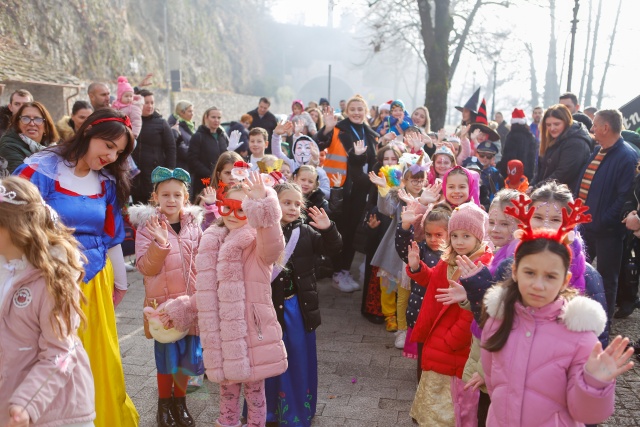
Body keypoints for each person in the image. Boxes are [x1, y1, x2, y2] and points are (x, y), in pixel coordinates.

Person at [14, 108, 139, 426]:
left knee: (97, 358)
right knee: (49, 360)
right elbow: (12, 220)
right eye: (108, 146)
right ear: (89, 133)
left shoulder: (107, 180)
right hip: (48, 282)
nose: (111, 156)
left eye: (119, 152)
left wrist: (121, 282)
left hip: (94, 283)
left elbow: (111, 235)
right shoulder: (40, 169)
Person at [480, 197, 634, 427]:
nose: (538, 285)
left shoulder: (580, 336)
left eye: (550, 276)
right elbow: (494, 385)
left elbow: (586, 414)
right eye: (529, 272)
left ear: (566, 280)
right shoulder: (498, 321)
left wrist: (594, 382)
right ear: (514, 271)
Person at [160, 172, 287, 427]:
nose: (232, 214)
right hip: (221, 339)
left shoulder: (257, 241)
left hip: (252, 335)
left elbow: (273, 245)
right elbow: (208, 293)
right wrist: (183, 307)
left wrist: (264, 203)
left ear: (252, 211)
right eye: (226, 207)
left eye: (242, 209)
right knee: (226, 398)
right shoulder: (212, 241)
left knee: (255, 396)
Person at [0, 176, 95, 427]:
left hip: (54, 411)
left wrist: (26, 403)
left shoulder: (52, 280)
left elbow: (60, 352)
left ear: (14, 225)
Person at [129, 167, 204, 427]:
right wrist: (159, 244)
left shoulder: (194, 225)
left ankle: (180, 403)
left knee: (186, 359)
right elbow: (144, 267)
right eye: (165, 195)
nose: (171, 200)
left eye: (177, 195)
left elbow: (202, 261)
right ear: (155, 197)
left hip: (189, 304)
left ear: (186, 197)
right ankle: (164, 404)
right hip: (162, 308)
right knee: (166, 359)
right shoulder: (147, 227)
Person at [407, 202, 492, 426]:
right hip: (438, 337)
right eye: (455, 235)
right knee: (434, 400)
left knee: (451, 404)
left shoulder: (479, 266)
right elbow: (433, 281)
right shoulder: (449, 259)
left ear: (479, 237)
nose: (459, 241)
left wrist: (450, 340)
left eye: (466, 236)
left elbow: (471, 313)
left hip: (454, 347)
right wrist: (417, 268)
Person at [266, 182, 342, 426]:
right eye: (286, 202)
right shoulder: (262, 230)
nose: (292, 207)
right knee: (268, 358)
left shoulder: (305, 232)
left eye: (297, 203)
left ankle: (295, 412)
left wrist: (329, 229)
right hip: (268, 308)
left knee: (296, 357)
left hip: (297, 307)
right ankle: (267, 411)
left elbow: (334, 249)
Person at [578, 109, 638, 323]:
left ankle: (603, 325)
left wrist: (602, 221)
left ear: (606, 127)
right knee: (579, 271)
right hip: (587, 226)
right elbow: (584, 182)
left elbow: (624, 197)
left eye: (594, 125)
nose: (592, 129)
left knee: (606, 279)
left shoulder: (627, 156)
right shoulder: (598, 151)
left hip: (608, 231)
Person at [315, 95, 379, 292]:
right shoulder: (337, 128)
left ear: (366, 112)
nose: (357, 113)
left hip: (360, 190)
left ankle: (344, 270)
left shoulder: (370, 134)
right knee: (338, 232)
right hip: (338, 188)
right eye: (353, 109)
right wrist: (326, 128)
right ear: (347, 111)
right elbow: (320, 143)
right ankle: (336, 271)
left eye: (360, 109)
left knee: (352, 232)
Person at [369, 153, 430, 336]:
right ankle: (390, 315)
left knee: (408, 287)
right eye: (414, 180)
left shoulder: (428, 198)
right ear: (405, 180)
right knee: (387, 283)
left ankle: (405, 319)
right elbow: (385, 209)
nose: (418, 184)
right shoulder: (398, 196)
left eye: (421, 180)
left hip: (417, 248)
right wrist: (383, 189)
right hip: (393, 246)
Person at [396, 203, 451, 366]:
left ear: (449, 233)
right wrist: (405, 227)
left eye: (439, 234)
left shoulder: (454, 253)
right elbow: (403, 249)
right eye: (428, 234)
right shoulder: (420, 249)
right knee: (422, 356)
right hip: (420, 310)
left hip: (442, 313)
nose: (433, 239)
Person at [131, 89, 177, 205]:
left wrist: (169, 173)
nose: (150, 106)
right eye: (146, 102)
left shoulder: (161, 123)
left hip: (155, 175)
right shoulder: (131, 122)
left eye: (152, 102)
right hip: (134, 176)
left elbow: (171, 148)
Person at [535, 104, 592, 190]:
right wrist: (532, 185)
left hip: (564, 196)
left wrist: (536, 188)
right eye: (548, 125)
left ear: (566, 122)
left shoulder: (576, 143)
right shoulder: (554, 140)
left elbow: (562, 174)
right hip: (548, 193)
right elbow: (541, 170)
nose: (552, 128)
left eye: (556, 124)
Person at [271, 122, 330, 197]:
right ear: (294, 151)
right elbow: (277, 154)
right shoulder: (291, 164)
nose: (302, 151)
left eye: (307, 147)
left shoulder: (319, 172)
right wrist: (276, 135)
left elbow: (327, 194)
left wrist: (313, 189)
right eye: (299, 147)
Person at [0, 101, 59, 173]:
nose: (31, 123)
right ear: (18, 123)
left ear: (46, 126)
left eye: (37, 119)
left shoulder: (53, 148)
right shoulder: (9, 146)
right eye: (25, 118)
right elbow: (21, 179)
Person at [188, 106, 229, 202]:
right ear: (206, 118)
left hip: (221, 181)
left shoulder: (222, 136)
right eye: (213, 117)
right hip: (204, 182)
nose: (216, 120)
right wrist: (210, 174)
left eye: (219, 118)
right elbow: (192, 160)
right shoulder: (198, 136)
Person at [497, 108, 537, 181]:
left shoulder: (511, 136)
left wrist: (500, 168)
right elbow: (532, 158)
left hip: (512, 174)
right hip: (527, 174)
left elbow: (508, 157)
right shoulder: (530, 136)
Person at [168, 101, 196, 170]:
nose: (192, 114)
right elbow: (180, 148)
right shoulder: (174, 127)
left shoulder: (190, 126)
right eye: (190, 111)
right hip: (180, 168)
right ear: (181, 112)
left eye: (192, 111)